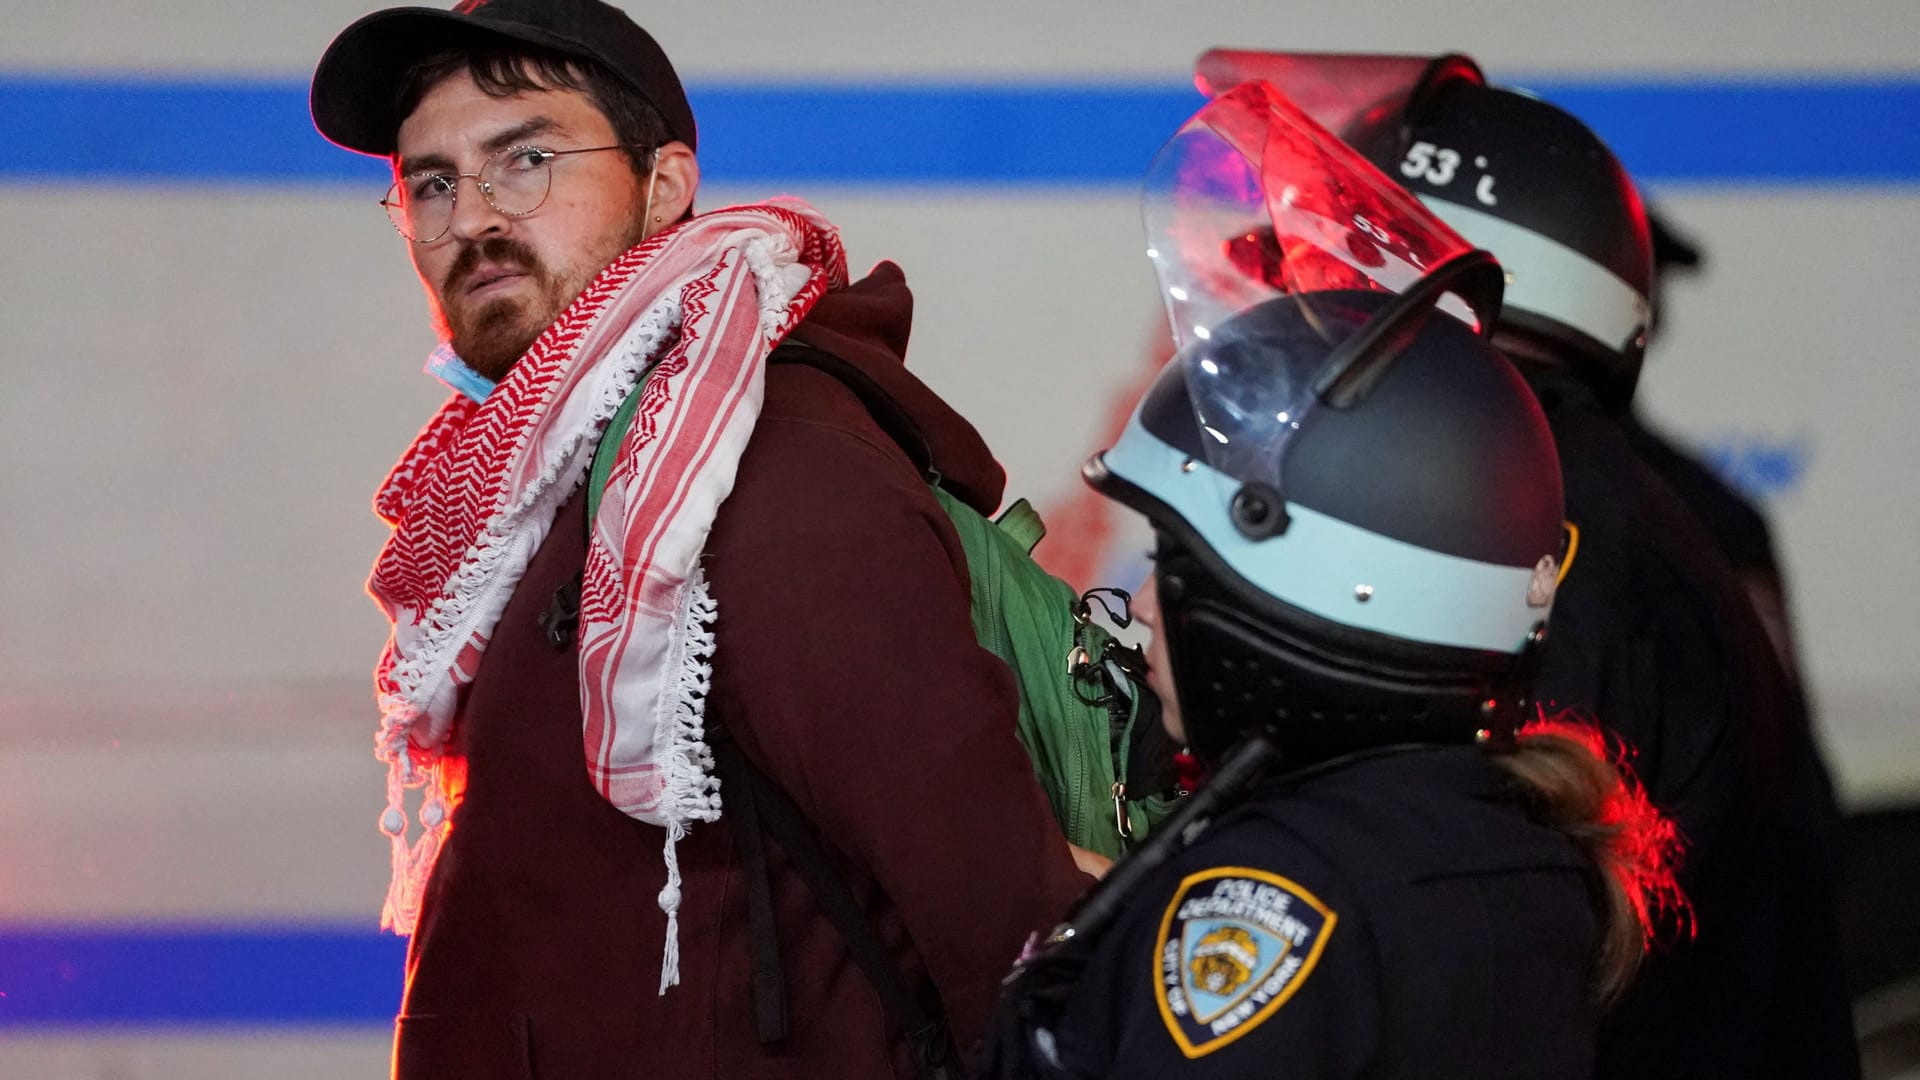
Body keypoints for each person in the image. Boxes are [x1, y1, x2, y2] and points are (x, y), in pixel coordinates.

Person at [307, 2, 1090, 1076]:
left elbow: (994, 910)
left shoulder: (759, 463)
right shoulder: (560, 481)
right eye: (431, 184)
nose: (472, 217)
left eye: (525, 158)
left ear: (664, 185)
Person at [978, 80, 1682, 1079]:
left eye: (1180, 569)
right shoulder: (1502, 840)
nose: (1140, 608)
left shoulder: (1271, 904)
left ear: (1306, 606)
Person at [1252, 53, 1856, 1078]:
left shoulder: (1552, 542)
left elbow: (1479, 920)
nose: (1313, 332)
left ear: (1453, 301)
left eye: (1348, 291)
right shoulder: (1587, 505)